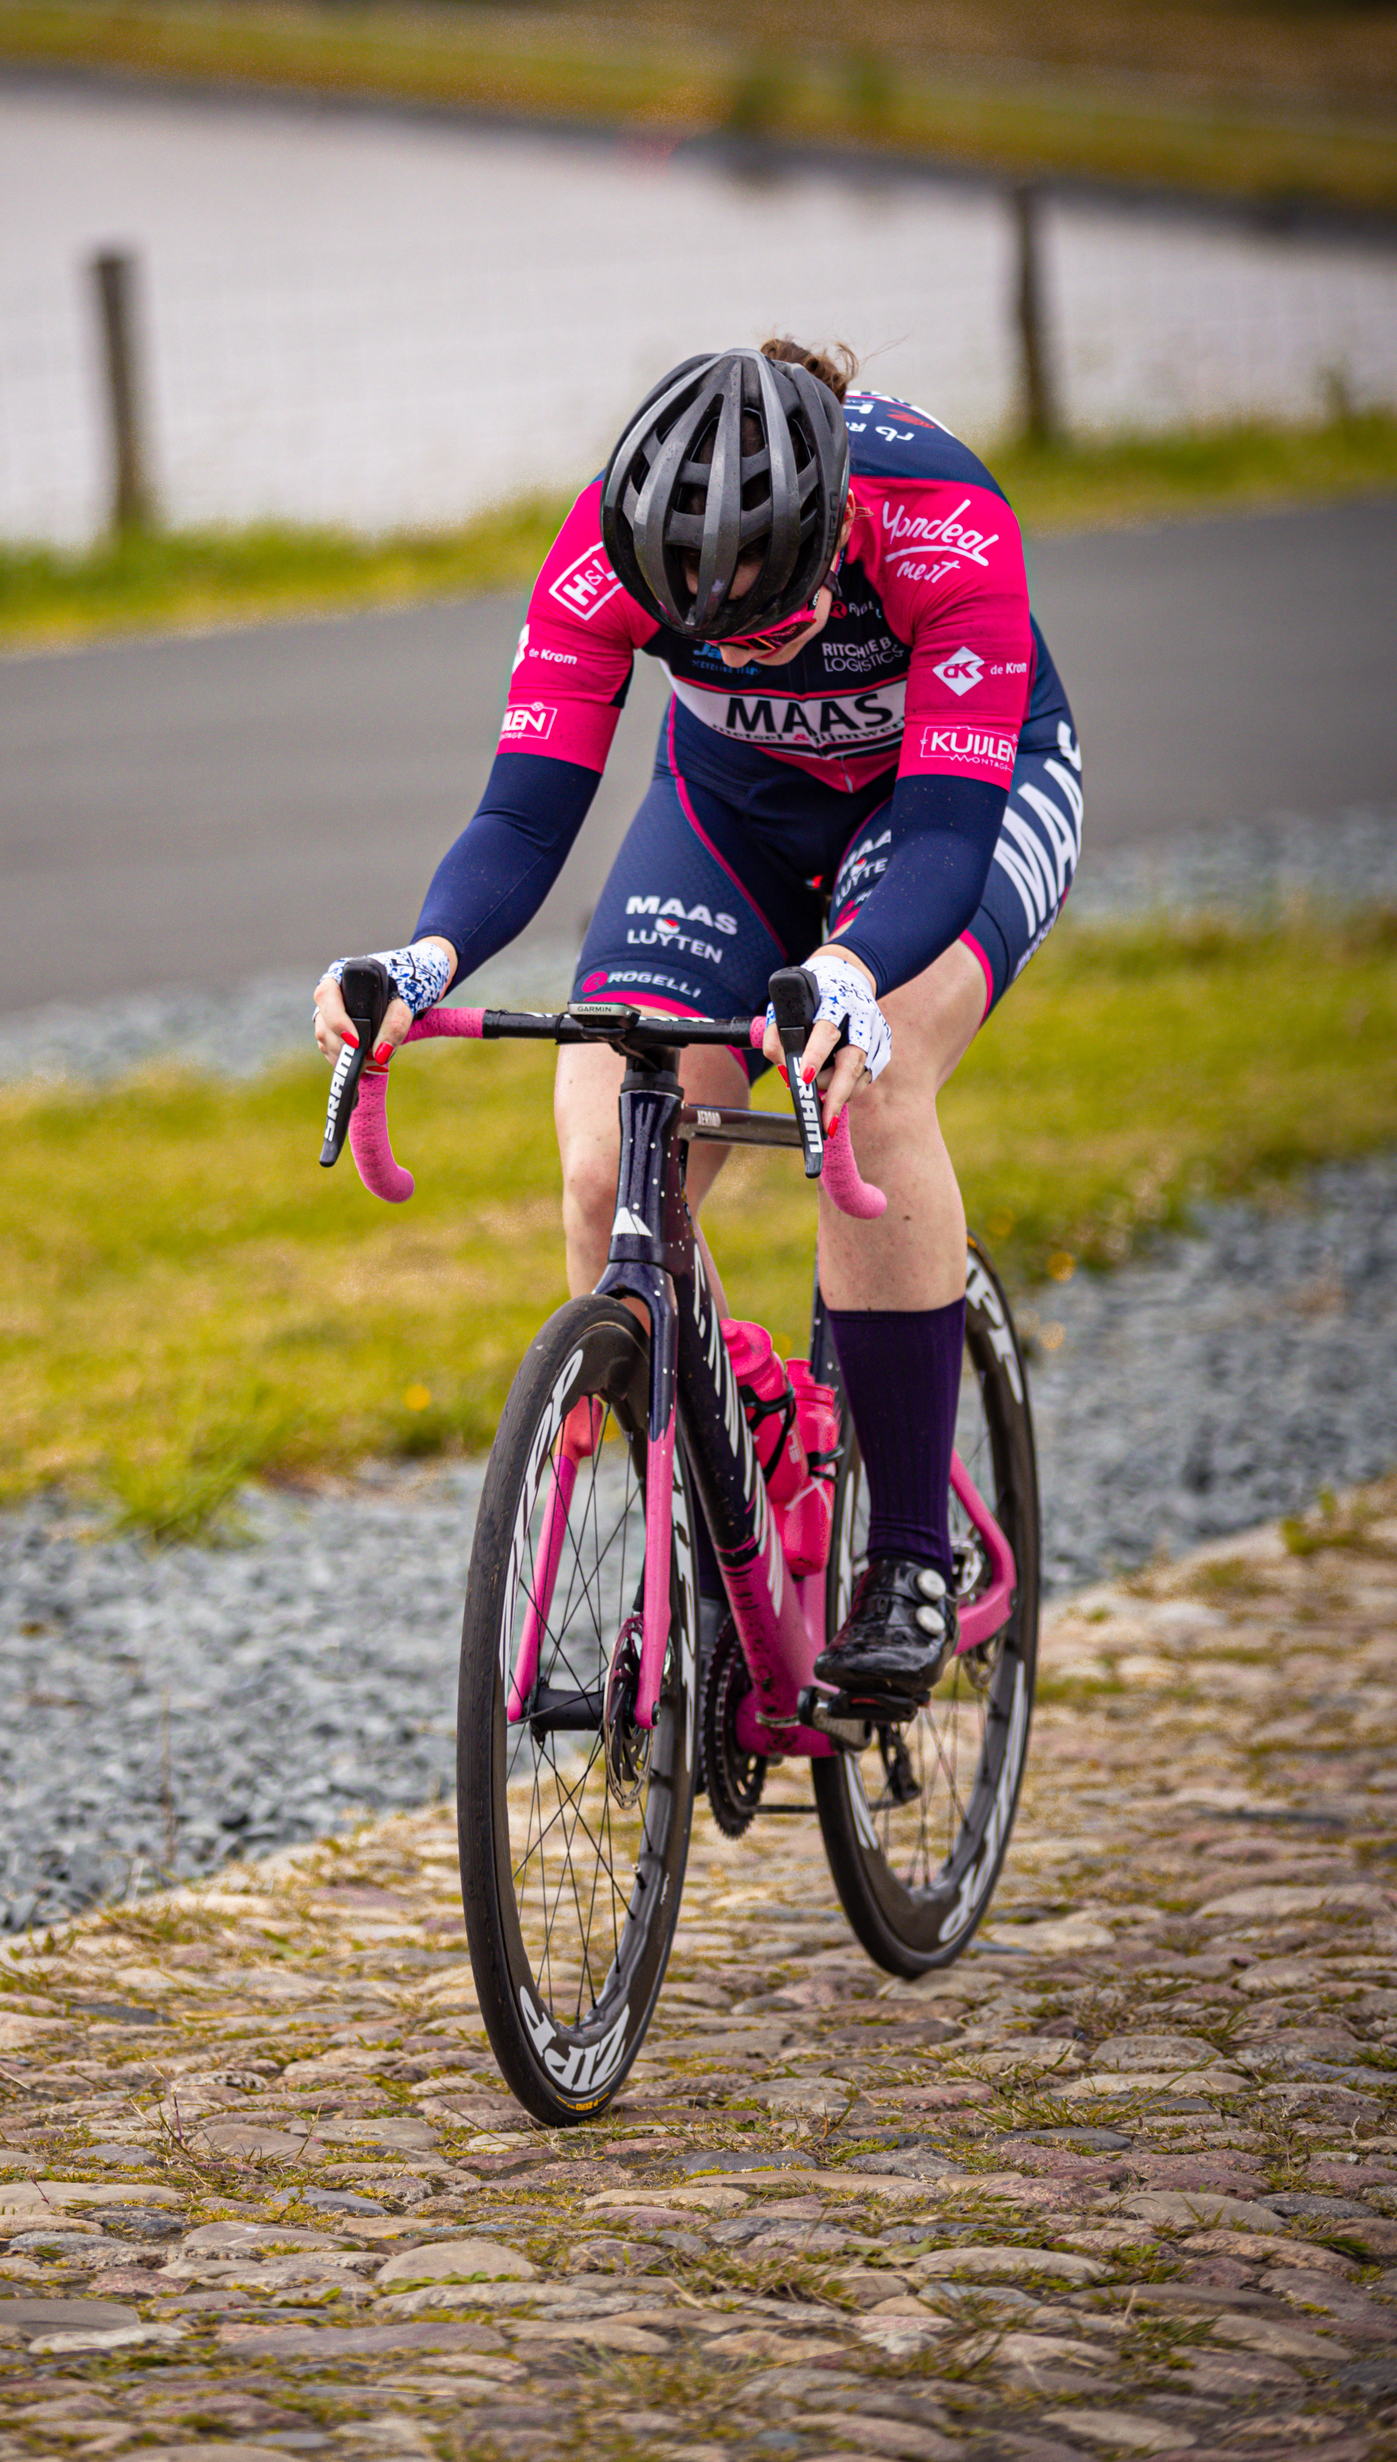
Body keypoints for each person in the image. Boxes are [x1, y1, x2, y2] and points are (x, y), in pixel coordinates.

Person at [315, 340, 1081, 1705]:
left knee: (872, 1079)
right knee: (612, 1156)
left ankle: (904, 1555)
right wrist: (421, 959)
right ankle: (743, 1468)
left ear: (836, 529)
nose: (736, 645)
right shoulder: (602, 550)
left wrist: (850, 973)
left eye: (770, 617)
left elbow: (952, 839)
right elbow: (523, 811)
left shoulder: (944, 523)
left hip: (953, 805)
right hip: (731, 813)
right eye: (704, 631)